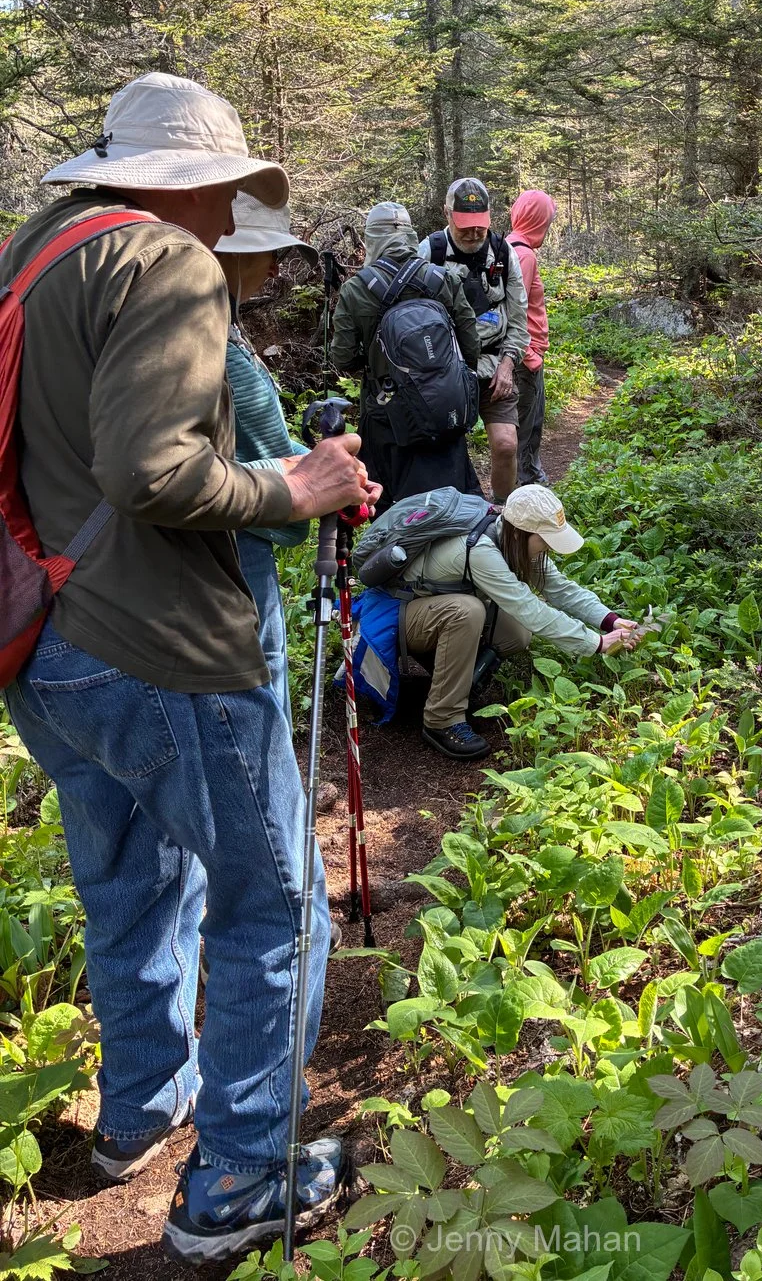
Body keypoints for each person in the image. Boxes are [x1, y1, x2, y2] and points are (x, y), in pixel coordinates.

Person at [0, 73, 380, 1265]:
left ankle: (140, 1110)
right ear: (201, 183)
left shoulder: (38, 252)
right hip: (156, 644)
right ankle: (239, 1177)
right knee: (273, 904)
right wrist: (294, 486)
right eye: (226, 197)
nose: (228, 227)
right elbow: (154, 471)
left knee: (128, 883)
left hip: (44, 646)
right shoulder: (165, 259)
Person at [398, 485, 640, 759]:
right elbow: (531, 608)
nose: (549, 547)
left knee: (515, 631)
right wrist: (595, 643)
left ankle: (458, 678)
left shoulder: (514, 540)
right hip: (401, 617)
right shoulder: (481, 550)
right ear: (520, 531)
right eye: (545, 539)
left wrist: (610, 620)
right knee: (468, 611)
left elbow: (561, 589)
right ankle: (441, 719)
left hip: (434, 613)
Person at [216, 192, 318, 728]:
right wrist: (319, 472)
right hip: (235, 535)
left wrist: (320, 465)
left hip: (242, 520)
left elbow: (263, 442)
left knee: (265, 661)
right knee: (261, 665)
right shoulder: (211, 339)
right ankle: (274, 801)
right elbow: (256, 449)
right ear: (226, 253)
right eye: (267, 251)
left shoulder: (225, 323)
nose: (277, 265)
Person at [331, 201, 482, 509]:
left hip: (388, 416)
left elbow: (342, 357)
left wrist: (377, 366)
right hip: (444, 407)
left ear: (371, 239)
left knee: (390, 505)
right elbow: (471, 342)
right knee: (457, 498)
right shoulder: (442, 279)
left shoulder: (356, 290)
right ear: (412, 236)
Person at [419, 178, 529, 502]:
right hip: (447, 369)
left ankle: (501, 514)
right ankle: (452, 517)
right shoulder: (431, 252)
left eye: (479, 225)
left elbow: (520, 317)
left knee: (507, 444)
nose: (473, 233)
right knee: (445, 451)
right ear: (447, 214)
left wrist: (508, 365)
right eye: (465, 225)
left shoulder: (503, 252)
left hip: (496, 364)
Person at [507, 190, 557, 487]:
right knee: (526, 429)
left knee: (523, 427)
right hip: (525, 358)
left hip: (522, 356)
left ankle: (523, 483)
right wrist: (530, 356)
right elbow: (514, 311)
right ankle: (527, 489)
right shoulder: (523, 255)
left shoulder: (508, 247)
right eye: (547, 219)